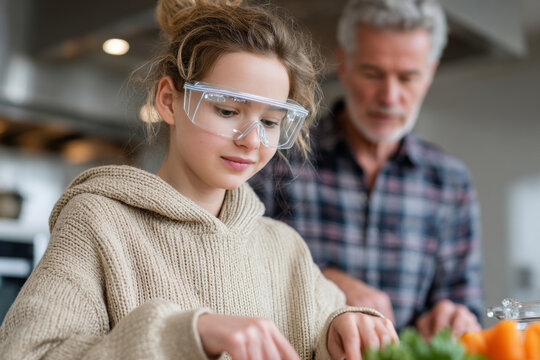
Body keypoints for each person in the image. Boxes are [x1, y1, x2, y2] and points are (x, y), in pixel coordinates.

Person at [0, 0, 399, 359]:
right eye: (227, 111)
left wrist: (341, 328)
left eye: (270, 122)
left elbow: (326, 329)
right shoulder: (99, 223)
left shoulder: (284, 247)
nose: (250, 141)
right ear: (169, 101)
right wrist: (188, 334)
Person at [250, 0, 483, 340]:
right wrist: (321, 279)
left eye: (408, 77)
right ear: (343, 64)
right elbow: (239, 267)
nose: (389, 96)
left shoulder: (450, 182)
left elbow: (463, 300)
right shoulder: (278, 158)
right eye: (373, 73)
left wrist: (455, 316)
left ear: (430, 72)